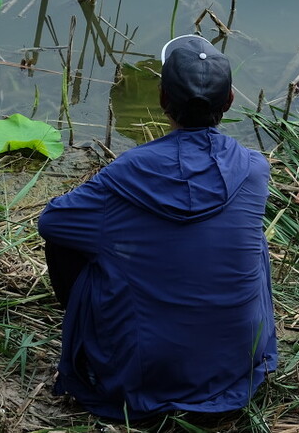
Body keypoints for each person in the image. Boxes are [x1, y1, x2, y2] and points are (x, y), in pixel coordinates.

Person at [38, 35, 277, 421]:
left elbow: (51, 223)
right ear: (230, 101)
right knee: (249, 239)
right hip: (239, 367)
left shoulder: (129, 170)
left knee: (70, 240)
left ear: (163, 100)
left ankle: (88, 335)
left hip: (145, 378)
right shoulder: (253, 168)